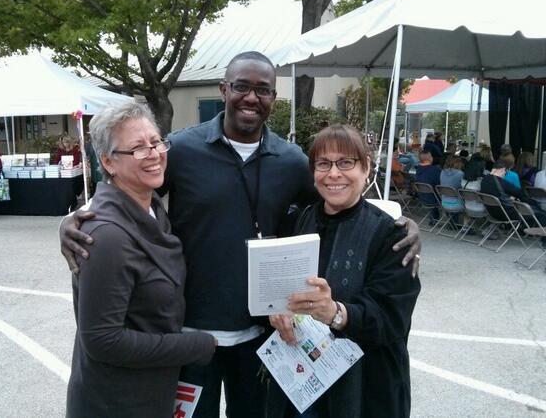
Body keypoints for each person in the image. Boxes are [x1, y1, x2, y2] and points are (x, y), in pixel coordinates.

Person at [59, 51, 422, 418]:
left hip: (260, 335)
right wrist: (78, 217)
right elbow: (131, 190)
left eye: (262, 90)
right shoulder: (180, 150)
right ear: (223, 89)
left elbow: (338, 204)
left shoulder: (292, 160)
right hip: (189, 335)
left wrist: (401, 221)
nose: (251, 97)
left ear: (272, 100)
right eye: (241, 87)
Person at [65, 102, 216, 417]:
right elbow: (103, 340)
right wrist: (196, 345)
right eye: (137, 149)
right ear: (108, 162)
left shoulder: (151, 207)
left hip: (150, 392)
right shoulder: (107, 237)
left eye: (156, 142)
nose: (154, 154)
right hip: (116, 402)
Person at [266, 125, 421, 418]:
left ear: (366, 170)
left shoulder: (391, 235)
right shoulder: (303, 220)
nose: (333, 173)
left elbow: (392, 318)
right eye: (323, 164)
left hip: (364, 389)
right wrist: (279, 310)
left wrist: (337, 312)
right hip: (302, 382)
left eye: (346, 162)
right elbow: (285, 287)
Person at [415, 150, 442, 223]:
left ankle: (433, 219)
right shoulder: (435, 170)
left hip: (422, 197)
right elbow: (440, 184)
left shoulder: (418, 169)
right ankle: (453, 223)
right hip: (434, 199)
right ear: (430, 158)